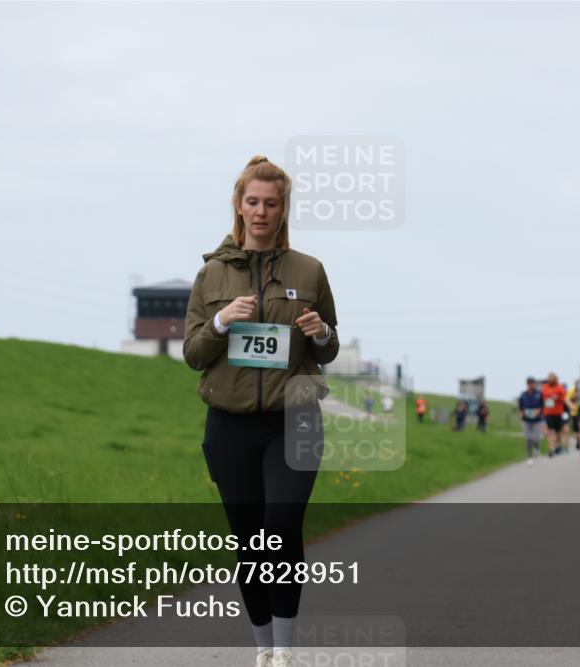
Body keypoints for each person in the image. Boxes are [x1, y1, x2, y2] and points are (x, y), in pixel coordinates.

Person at [183, 156, 340, 667]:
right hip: (229, 426)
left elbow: (328, 347)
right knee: (250, 539)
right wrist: (222, 322)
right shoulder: (211, 275)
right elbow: (193, 355)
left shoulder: (309, 271)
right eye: (253, 202)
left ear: (283, 208)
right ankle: (264, 649)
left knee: (281, 525)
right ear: (238, 204)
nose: (261, 212)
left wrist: (320, 334)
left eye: (271, 203)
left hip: (292, 420)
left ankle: (287, 651)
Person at [518, 377, 544, 466]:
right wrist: (521, 413)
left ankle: (537, 448)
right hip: (526, 419)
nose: (530, 385)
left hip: (536, 419)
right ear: (527, 384)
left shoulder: (539, 394)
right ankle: (529, 457)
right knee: (528, 438)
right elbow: (520, 406)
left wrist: (539, 411)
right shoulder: (523, 395)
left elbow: (542, 405)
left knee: (536, 438)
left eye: (532, 383)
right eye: (529, 383)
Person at [541, 373, 567, 456]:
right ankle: (551, 448)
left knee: (558, 431)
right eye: (550, 378)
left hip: (558, 412)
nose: (551, 380)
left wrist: (557, 397)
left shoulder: (560, 387)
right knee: (551, 431)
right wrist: (551, 396)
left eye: (553, 379)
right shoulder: (545, 387)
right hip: (548, 412)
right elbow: (543, 396)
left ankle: (557, 446)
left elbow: (564, 398)